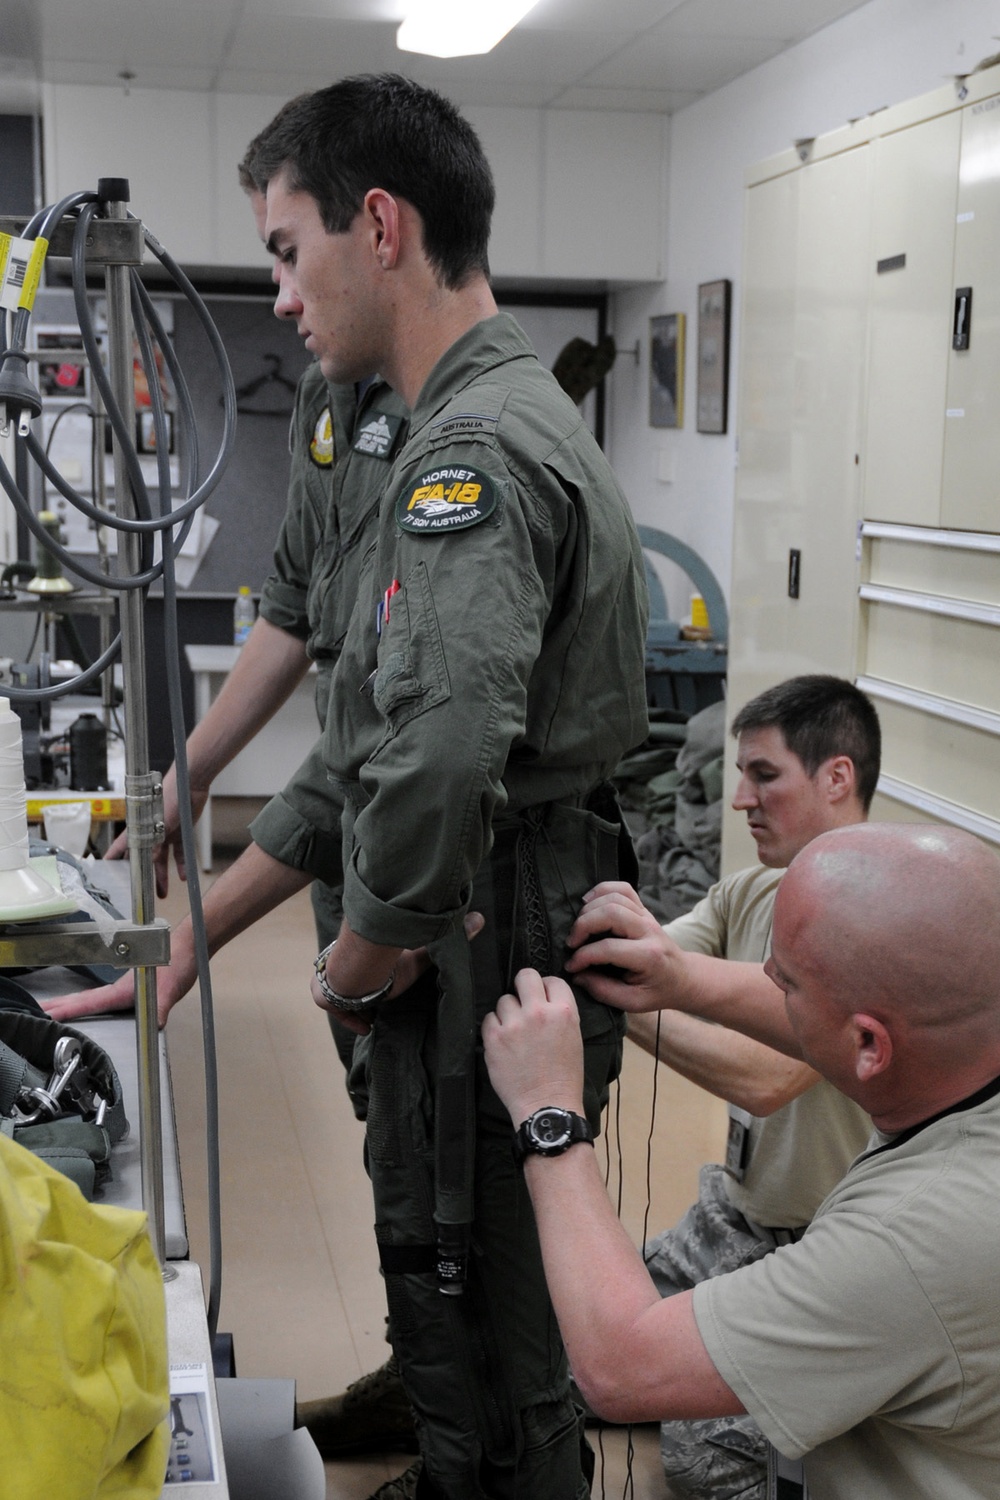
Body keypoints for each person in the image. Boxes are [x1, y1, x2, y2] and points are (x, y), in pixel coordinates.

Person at [250, 73, 648, 1500]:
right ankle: (459, 1456)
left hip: (486, 903)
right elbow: (375, 722)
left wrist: (365, 952)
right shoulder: (448, 421)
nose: (283, 295)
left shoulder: (470, 453)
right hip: (477, 893)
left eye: (288, 252)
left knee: (476, 1243)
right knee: (442, 1232)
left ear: (379, 225)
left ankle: (501, 1478)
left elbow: (436, 757)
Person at [483, 822, 1000, 1498]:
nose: (764, 987)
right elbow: (844, 1018)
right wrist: (678, 975)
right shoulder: (965, 1030)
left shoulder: (913, 1239)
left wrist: (548, 1115)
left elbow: (620, 1365)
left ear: (869, 1045)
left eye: (783, 983)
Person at [609, 675, 878, 1498]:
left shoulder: (873, 918)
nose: (739, 801)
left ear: (836, 778)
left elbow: (765, 1079)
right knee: (580, 1344)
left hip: (824, 1249)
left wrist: (617, 1000)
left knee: (705, 1458)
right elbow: (653, 954)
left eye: (764, 777)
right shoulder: (756, 891)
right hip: (734, 1213)